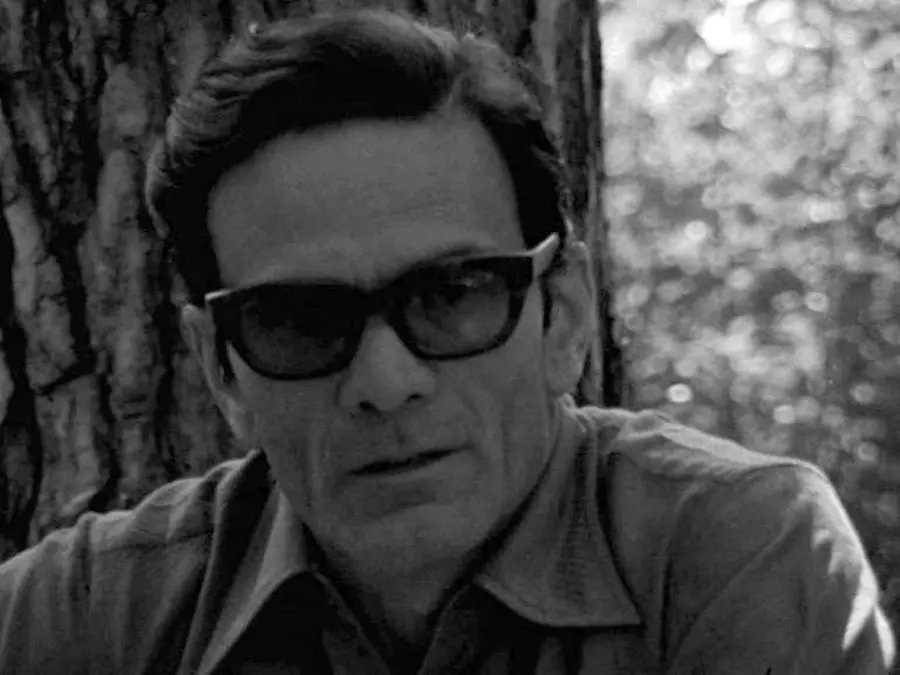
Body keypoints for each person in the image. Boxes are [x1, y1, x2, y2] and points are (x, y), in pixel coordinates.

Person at [0, 9, 895, 674]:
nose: (385, 380)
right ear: (221, 369)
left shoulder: (732, 554)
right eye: (301, 319)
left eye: (452, 295)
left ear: (563, 315)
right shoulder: (86, 615)